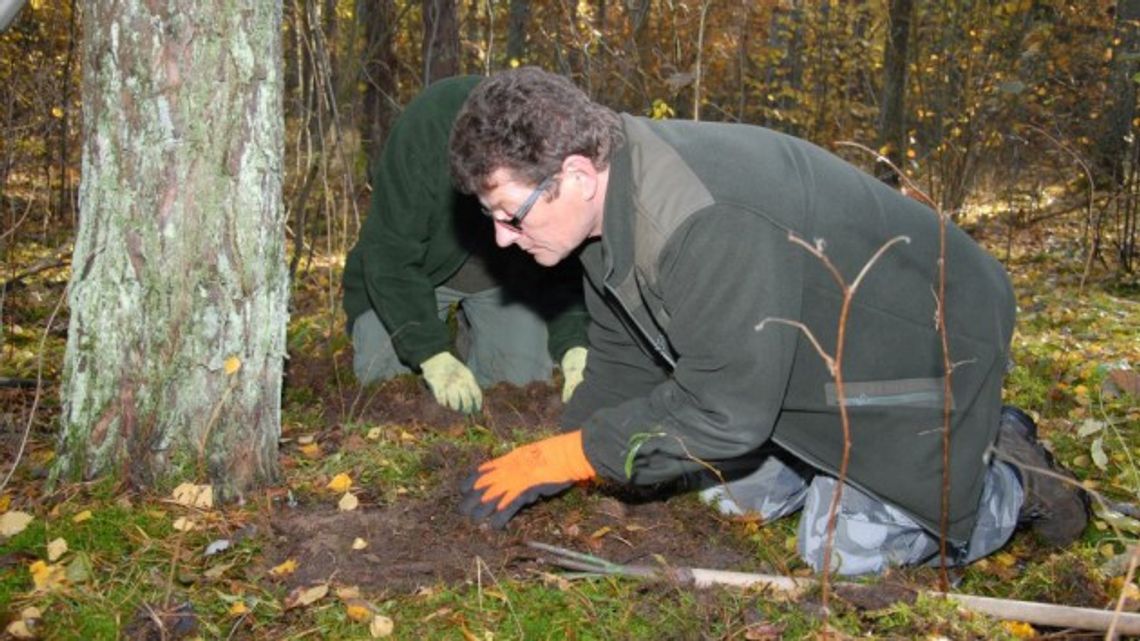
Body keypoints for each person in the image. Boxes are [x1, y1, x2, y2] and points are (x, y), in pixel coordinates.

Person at [449, 67, 1089, 575]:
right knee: (720, 495)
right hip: (800, 358)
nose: (503, 239)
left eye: (511, 214)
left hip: (928, 342)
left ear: (578, 175)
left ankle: (1007, 473)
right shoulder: (607, 204)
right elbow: (625, 358)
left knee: (839, 551)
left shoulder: (700, 221)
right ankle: (829, 467)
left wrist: (579, 456)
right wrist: (557, 455)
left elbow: (727, 411)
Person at [342, 75, 589, 413]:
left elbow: (563, 249)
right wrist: (432, 353)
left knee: (519, 388)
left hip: (506, 279)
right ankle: (448, 341)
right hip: (418, 275)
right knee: (386, 386)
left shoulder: (547, 141)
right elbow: (389, 254)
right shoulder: (426, 128)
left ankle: (475, 340)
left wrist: (574, 341)